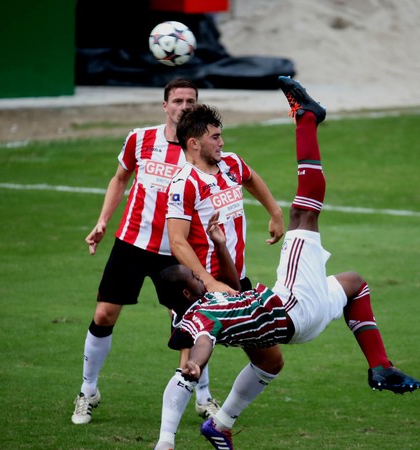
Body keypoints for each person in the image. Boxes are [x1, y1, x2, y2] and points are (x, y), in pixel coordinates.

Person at [152, 77, 420, 450]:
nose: (222, 142)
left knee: (277, 356)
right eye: (215, 136)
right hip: (251, 298)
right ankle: (165, 440)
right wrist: (207, 285)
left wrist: (267, 216)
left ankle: (221, 424)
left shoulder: (227, 164)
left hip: (259, 297)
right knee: (305, 216)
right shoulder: (184, 186)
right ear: (195, 142)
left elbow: (251, 181)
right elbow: (178, 246)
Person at [71, 78, 282, 425]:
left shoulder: (203, 154)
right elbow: (120, 178)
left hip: (179, 252)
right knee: (105, 314)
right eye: (178, 100)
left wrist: (274, 212)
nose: (184, 106)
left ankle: (202, 398)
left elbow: (244, 175)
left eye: (191, 101)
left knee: (192, 326)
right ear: (165, 105)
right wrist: (102, 221)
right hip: (134, 243)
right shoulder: (141, 139)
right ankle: (87, 390)